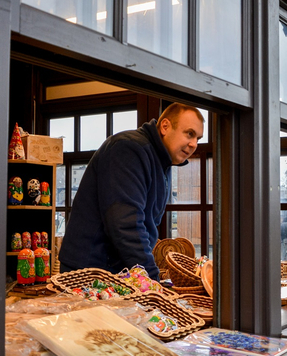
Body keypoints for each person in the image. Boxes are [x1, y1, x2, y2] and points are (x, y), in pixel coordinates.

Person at [58, 103, 204, 282]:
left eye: (198, 138)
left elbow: (146, 224)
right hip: (92, 272)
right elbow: (127, 224)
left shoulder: (161, 161)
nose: (194, 144)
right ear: (165, 126)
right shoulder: (129, 148)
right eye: (189, 133)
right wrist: (151, 279)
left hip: (116, 272)